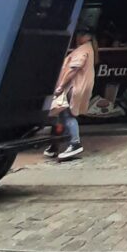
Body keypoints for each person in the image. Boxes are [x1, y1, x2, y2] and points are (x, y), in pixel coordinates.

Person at [46, 29, 97, 161]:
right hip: (77, 87)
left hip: (73, 87)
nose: (77, 37)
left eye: (80, 34)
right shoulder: (88, 49)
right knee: (60, 113)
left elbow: (73, 69)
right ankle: (54, 145)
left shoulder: (83, 50)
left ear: (87, 36)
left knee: (67, 115)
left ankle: (75, 143)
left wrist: (61, 86)